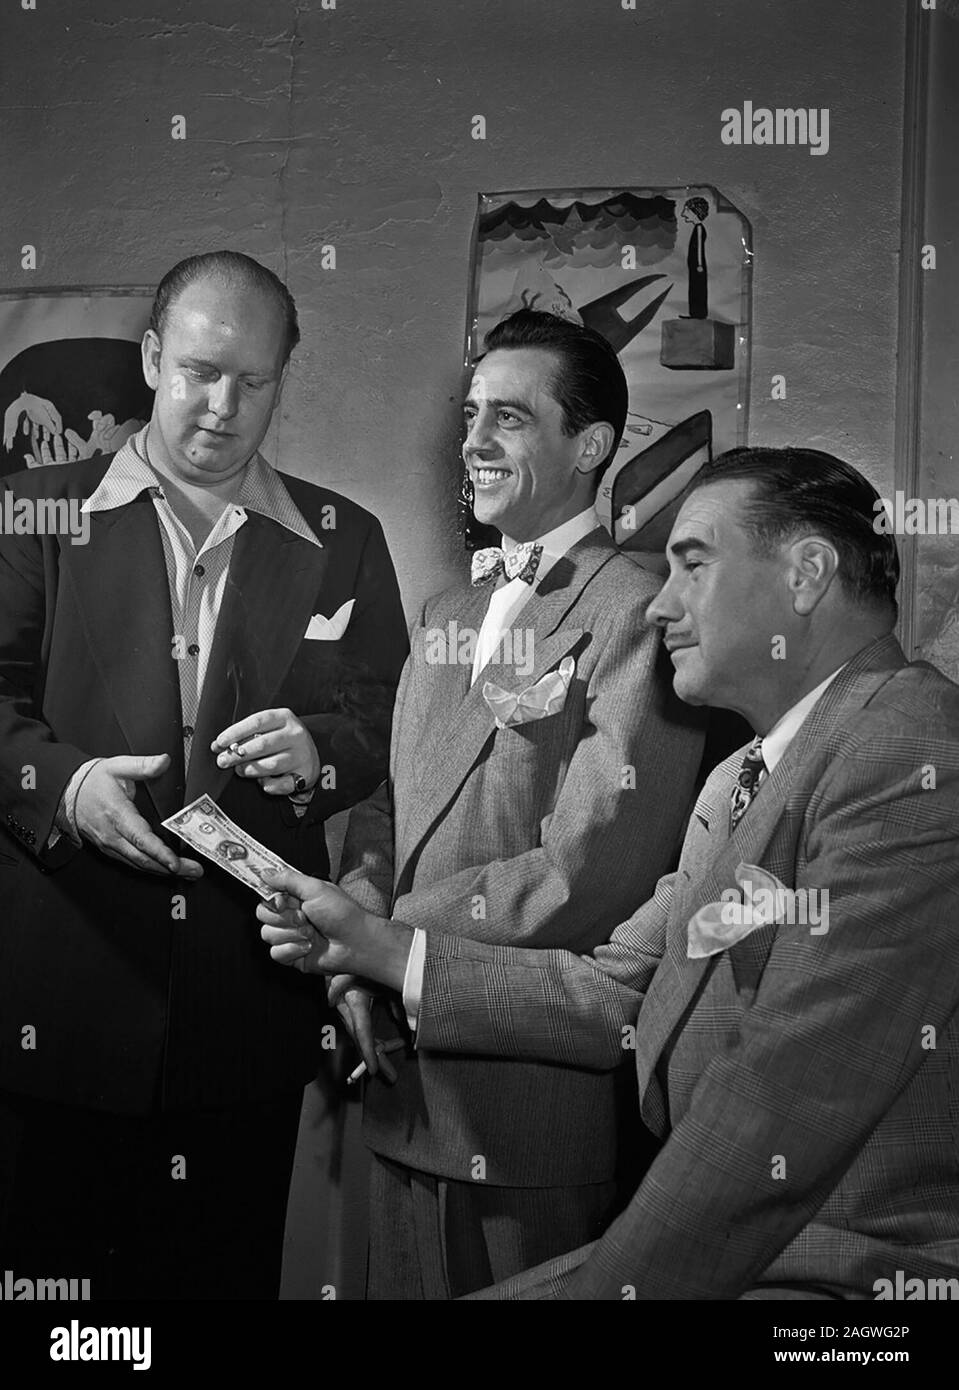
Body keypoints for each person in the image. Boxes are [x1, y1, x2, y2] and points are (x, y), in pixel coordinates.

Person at [260, 446, 959, 1301]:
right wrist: (381, 949)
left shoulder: (903, 748)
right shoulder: (743, 775)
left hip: (854, 1276)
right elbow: (615, 992)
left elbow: (782, 1099)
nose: (659, 606)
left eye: (691, 566)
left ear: (806, 574)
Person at [0, 250, 408, 1299]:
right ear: (149, 360)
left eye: (253, 381)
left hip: (247, 1003)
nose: (222, 407)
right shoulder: (30, 515)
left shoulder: (343, 537)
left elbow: (384, 713)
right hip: (61, 998)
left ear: (282, 379)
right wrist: (64, 785)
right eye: (196, 371)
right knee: (60, 1306)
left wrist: (324, 748)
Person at [291, 308, 706, 1299]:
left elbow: (587, 871)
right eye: (470, 412)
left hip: (523, 1121)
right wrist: (357, 941)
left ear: (590, 445)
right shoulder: (444, 614)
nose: (471, 441)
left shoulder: (637, 611)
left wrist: (375, 935)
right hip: (392, 1083)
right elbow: (391, 806)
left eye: (508, 419)